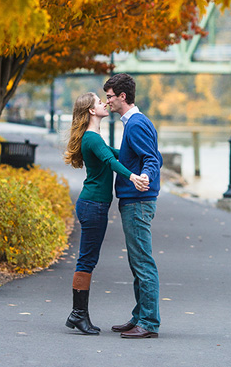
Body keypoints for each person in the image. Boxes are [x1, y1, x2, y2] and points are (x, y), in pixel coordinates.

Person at [63, 92, 149, 335]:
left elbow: (120, 154)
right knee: (87, 260)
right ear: (91, 110)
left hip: (94, 204)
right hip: (93, 205)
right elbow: (111, 162)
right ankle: (78, 314)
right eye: (99, 102)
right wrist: (132, 176)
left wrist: (147, 153)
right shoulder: (92, 138)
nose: (104, 104)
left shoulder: (94, 137)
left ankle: (78, 314)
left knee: (88, 259)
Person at [104, 72, 163, 339]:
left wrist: (146, 177)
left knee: (142, 262)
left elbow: (151, 159)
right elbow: (152, 155)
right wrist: (111, 154)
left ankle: (148, 322)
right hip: (136, 201)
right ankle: (140, 315)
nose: (107, 103)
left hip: (138, 202)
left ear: (122, 96)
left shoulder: (136, 124)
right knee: (137, 260)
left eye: (110, 97)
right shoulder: (137, 122)